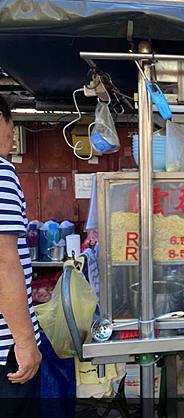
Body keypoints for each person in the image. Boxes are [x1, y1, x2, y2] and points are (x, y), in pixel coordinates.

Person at [0, 96, 42, 400]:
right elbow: (3, 262)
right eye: (11, 124)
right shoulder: (1, 173)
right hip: (5, 350)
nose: (12, 134)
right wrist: (26, 341)